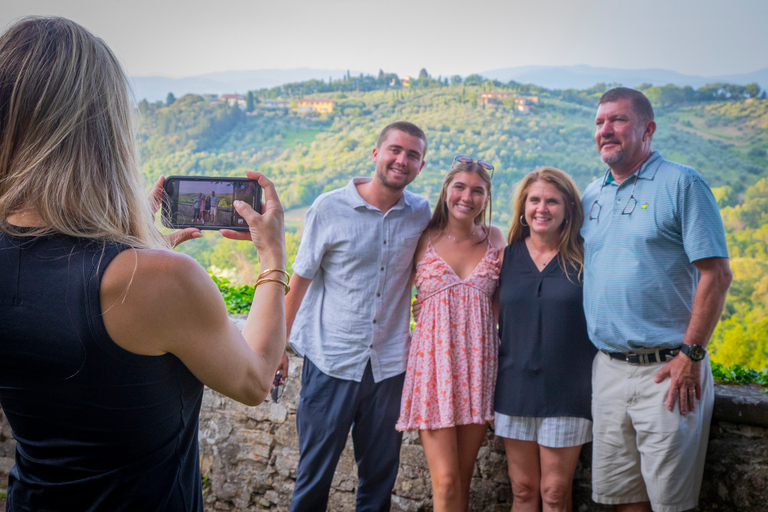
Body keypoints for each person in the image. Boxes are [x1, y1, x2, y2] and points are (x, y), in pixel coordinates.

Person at [0, 17, 287, 512]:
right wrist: (273, 256)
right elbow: (256, 379)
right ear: (105, 130)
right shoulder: (158, 280)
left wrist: (136, 250)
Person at [581, 87, 732, 512]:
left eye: (618, 120)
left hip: (668, 372)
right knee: (624, 500)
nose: (606, 130)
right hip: (608, 370)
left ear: (648, 129)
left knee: (669, 503)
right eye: (599, 122)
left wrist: (691, 354)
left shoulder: (682, 184)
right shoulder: (593, 195)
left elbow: (717, 274)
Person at [282, 122, 431, 512]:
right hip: (331, 362)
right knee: (314, 476)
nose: (402, 160)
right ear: (376, 153)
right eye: (395, 150)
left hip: (389, 368)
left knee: (379, 480)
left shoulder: (421, 213)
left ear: (421, 165)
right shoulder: (329, 208)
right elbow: (298, 282)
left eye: (413, 155)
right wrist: (274, 348)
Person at [396, 157, 506, 512]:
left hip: (478, 368)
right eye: (459, 187)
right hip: (433, 368)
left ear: (486, 199)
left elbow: (504, 303)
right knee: (444, 482)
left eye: (477, 190)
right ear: (446, 190)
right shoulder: (422, 238)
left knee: (462, 477)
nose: (467, 197)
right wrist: (425, 308)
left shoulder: (496, 239)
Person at [494, 167, 596, 512]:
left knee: (554, 492)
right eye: (534, 199)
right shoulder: (504, 258)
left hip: (568, 390)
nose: (542, 208)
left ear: (568, 208)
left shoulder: (586, 258)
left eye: (552, 201)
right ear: (523, 207)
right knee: (522, 490)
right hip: (513, 387)